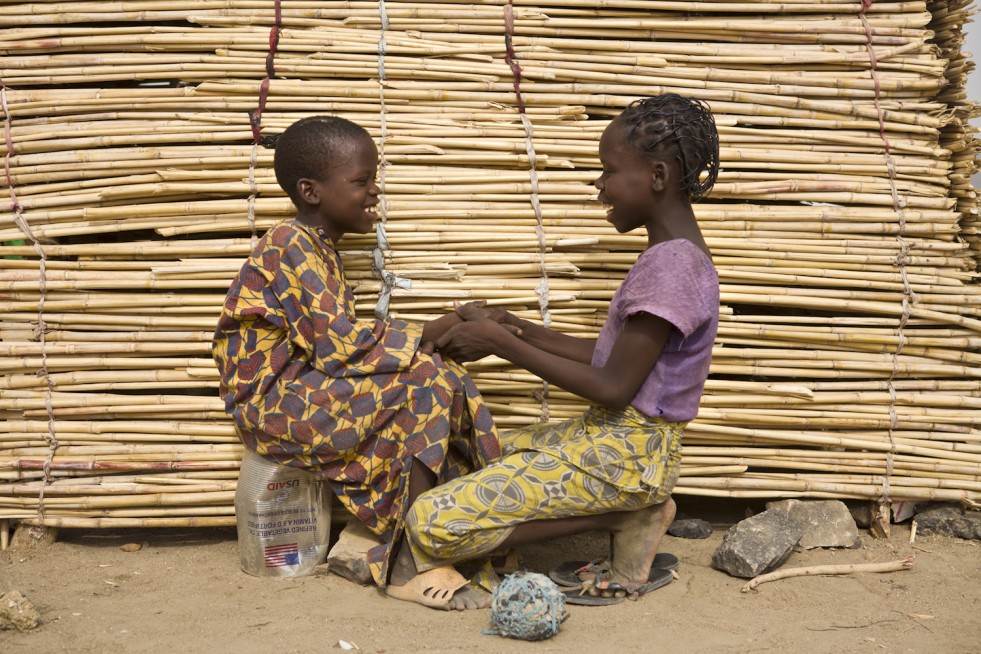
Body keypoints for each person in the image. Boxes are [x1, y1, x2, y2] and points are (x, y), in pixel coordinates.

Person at [385, 94, 721, 610]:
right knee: (478, 456)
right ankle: (627, 511)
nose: (599, 186)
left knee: (429, 520)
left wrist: (500, 345)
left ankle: (630, 515)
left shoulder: (673, 267)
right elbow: (614, 356)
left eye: (608, 171)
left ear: (656, 176)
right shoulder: (671, 256)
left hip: (628, 457)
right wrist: (517, 329)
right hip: (611, 440)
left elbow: (614, 386)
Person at [212, 115, 502, 592]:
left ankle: (435, 530)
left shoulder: (319, 249)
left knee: (438, 375)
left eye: (374, 179)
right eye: (362, 181)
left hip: (302, 392)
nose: (375, 191)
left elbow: (338, 348)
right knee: (426, 379)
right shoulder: (290, 245)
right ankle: (411, 556)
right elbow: (340, 347)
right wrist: (441, 326)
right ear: (311, 191)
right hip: (271, 405)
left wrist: (439, 336)